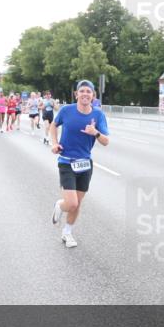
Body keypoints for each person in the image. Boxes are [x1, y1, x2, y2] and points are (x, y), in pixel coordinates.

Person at [49, 80, 110, 248]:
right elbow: (53, 126)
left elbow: (106, 142)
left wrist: (95, 132)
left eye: (88, 92)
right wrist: (54, 143)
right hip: (67, 162)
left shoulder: (98, 115)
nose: (85, 94)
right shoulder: (66, 110)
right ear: (76, 94)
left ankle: (67, 233)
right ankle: (60, 205)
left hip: (85, 164)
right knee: (71, 203)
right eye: (82, 91)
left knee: (78, 204)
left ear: (93, 96)